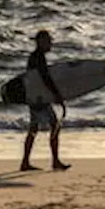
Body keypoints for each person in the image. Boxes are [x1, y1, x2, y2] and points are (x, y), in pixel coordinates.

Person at [20, 30, 70, 172]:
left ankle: (27, 162)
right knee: (53, 126)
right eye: (48, 41)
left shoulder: (35, 57)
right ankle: (54, 162)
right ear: (40, 42)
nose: (50, 44)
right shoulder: (38, 57)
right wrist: (56, 95)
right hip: (38, 99)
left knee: (35, 129)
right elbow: (44, 78)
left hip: (36, 97)